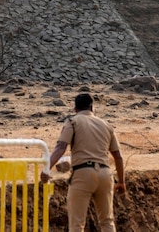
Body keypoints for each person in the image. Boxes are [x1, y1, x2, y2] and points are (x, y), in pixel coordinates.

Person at [41, 93, 125, 232]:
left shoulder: (72, 122)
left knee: (77, 225)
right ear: (92, 107)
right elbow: (118, 156)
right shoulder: (106, 125)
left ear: (75, 109)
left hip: (82, 174)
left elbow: (61, 147)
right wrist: (121, 181)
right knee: (107, 221)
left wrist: (46, 169)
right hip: (105, 174)